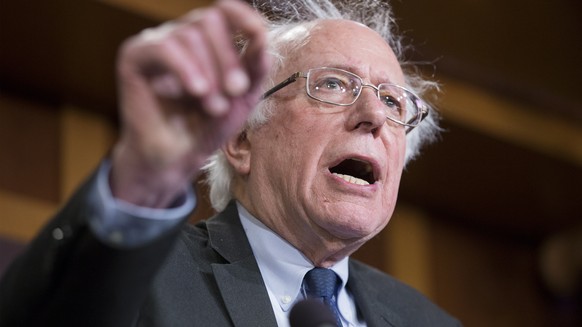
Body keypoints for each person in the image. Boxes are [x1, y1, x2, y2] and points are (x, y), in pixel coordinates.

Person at [0, 0, 460, 326]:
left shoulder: (428, 321)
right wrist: (142, 179)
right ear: (240, 140)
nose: (375, 115)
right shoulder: (142, 276)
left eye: (393, 102)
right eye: (334, 85)